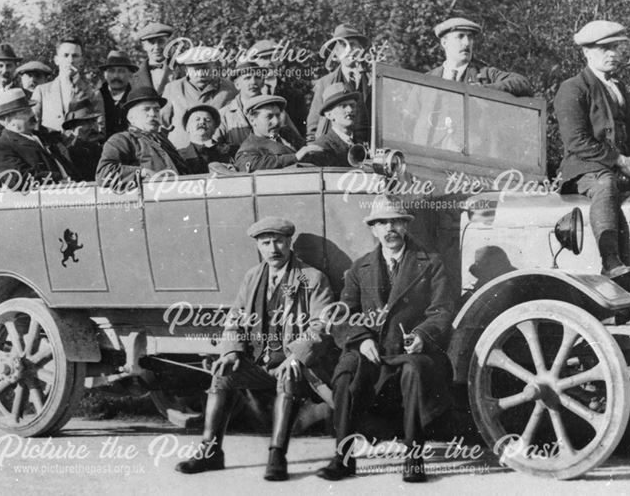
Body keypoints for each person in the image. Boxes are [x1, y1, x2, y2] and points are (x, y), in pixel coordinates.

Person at [175, 217, 335, 481]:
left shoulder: (312, 278)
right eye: (266, 243)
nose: (273, 249)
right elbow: (235, 319)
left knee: (289, 373)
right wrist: (231, 353)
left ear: (289, 242)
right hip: (260, 365)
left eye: (279, 242)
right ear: (259, 246)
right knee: (223, 375)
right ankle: (210, 452)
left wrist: (295, 356)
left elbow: (321, 326)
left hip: (300, 369)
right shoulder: (253, 277)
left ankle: (277, 455)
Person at [316, 198, 460, 483]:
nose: (389, 228)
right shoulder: (360, 268)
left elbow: (442, 310)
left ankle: (414, 457)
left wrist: (422, 335)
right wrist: (360, 340)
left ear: (406, 225)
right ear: (373, 230)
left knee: (415, 371)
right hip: (373, 351)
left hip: (413, 351)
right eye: (382, 223)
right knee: (346, 370)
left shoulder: (430, 263)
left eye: (395, 222)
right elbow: (344, 314)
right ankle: (343, 458)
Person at [555, 20, 630, 285]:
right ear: (586, 52)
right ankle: (610, 261)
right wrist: (619, 160)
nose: (612, 54)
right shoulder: (573, 88)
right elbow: (576, 141)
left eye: (616, 48)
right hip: (585, 171)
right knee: (605, 184)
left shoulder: (621, 89)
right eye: (604, 48)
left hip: (620, 169)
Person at [96, 84, 189, 185]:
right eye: (146, 109)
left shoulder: (163, 140)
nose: (153, 114)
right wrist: (141, 172)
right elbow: (104, 173)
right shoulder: (122, 140)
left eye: (157, 110)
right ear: (131, 117)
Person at [0, 89, 73, 188]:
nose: (32, 114)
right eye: (25, 112)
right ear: (8, 120)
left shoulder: (45, 137)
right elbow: (18, 179)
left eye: (30, 109)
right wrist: (59, 178)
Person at [427, 18, 533, 96]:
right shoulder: (427, 80)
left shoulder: (486, 74)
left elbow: (522, 82)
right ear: (445, 42)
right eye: (460, 36)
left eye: (470, 37)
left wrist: (484, 89)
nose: (467, 43)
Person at [160, 46, 237, 149]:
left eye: (205, 69)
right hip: (181, 151)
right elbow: (163, 123)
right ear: (186, 69)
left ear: (214, 66)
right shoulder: (173, 88)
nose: (200, 74)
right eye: (195, 70)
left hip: (217, 151)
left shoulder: (228, 88)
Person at [305, 23, 373, 141]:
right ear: (336, 52)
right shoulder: (325, 83)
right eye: (342, 45)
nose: (348, 50)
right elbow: (314, 125)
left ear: (361, 49)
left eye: (352, 45)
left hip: (369, 148)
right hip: (335, 150)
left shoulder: (374, 80)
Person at [219, 60, 303, 147]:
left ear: (263, 82)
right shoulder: (224, 115)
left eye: (257, 77)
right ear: (237, 85)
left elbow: (297, 143)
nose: (253, 82)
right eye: (247, 78)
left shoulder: (277, 111)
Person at [32, 38, 105, 135]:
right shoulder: (42, 91)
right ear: (56, 60)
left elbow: (101, 130)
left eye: (75, 56)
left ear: (81, 61)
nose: (70, 60)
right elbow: (33, 126)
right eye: (66, 55)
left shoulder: (92, 92)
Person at [234, 95, 323, 172]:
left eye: (278, 115)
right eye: (269, 117)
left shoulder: (285, 132)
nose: (276, 122)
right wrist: (295, 157)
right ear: (252, 120)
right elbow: (248, 164)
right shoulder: (249, 148)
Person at [311, 83, 362, 168]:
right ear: (329, 115)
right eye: (343, 106)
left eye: (352, 105)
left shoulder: (358, 143)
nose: (350, 110)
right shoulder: (322, 147)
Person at [176, 105, 233, 174]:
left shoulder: (230, 151)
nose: (202, 122)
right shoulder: (179, 156)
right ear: (187, 127)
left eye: (207, 120)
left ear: (215, 128)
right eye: (197, 119)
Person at [95, 49, 138, 136]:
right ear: (105, 74)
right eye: (111, 71)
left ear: (130, 74)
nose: (116, 76)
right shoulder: (95, 98)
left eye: (121, 71)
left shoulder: (136, 99)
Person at [132, 22, 183, 94]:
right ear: (144, 46)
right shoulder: (134, 78)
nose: (157, 47)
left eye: (161, 41)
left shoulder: (182, 70)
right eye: (151, 42)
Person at [61, 100, 103, 181]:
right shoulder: (65, 149)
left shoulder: (95, 147)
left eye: (93, 121)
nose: (92, 127)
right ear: (73, 126)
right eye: (87, 122)